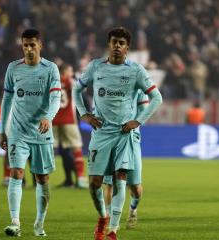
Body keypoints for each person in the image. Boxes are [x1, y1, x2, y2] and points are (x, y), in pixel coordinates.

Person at [72, 27, 162, 240]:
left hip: (124, 135)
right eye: (114, 42)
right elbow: (76, 90)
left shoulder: (136, 70)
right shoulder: (95, 67)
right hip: (101, 133)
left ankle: (112, 230)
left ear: (127, 48)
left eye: (121, 43)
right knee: (95, 184)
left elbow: (157, 97)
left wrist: (137, 121)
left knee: (121, 179)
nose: (117, 46)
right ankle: (103, 217)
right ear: (109, 44)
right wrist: (84, 114)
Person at [0, 28, 61, 237]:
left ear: (40, 45)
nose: (29, 49)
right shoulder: (13, 68)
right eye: (25, 45)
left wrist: (48, 117)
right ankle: (15, 222)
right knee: (16, 173)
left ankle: (39, 223)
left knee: (42, 179)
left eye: (32, 44)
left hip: (41, 132)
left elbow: (55, 99)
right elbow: (7, 100)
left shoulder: (51, 69)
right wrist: (2, 129)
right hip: (17, 131)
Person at [103, 90, 149, 230]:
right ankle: (109, 217)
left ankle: (133, 209)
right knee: (109, 182)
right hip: (109, 138)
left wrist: (134, 123)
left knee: (134, 186)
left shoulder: (139, 89)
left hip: (131, 139)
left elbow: (144, 113)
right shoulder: (106, 84)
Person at [53, 63, 87, 188]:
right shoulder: (70, 82)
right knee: (76, 148)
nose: (71, 73)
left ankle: (40, 179)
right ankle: (81, 178)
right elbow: (82, 88)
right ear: (64, 72)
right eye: (70, 71)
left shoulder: (51, 82)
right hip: (69, 120)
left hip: (53, 121)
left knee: (47, 150)